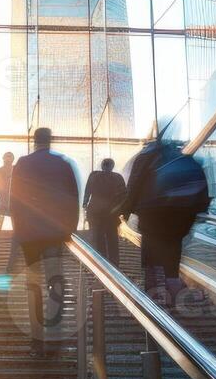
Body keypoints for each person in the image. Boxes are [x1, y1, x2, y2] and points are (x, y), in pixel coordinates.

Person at [9, 128, 80, 358]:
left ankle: (36, 341)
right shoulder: (63, 164)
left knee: (34, 286)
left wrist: (19, 231)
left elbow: (15, 200)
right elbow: (72, 199)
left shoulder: (23, 163)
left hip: (29, 235)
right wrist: (69, 229)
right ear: (50, 141)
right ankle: (55, 337)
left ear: (34, 141)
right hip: (53, 233)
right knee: (55, 283)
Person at [117, 130, 209, 308]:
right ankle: (173, 297)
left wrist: (125, 212)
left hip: (153, 216)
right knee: (172, 259)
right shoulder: (181, 159)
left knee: (150, 258)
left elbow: (134, 185)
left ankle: (152, 300)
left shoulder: (146, 158)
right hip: (180, 219)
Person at [83, 157, 127, 268]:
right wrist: (122, 211)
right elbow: (124, 196)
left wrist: (85, 205)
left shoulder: (94, 175)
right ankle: (114, 265)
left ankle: (100, 264)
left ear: (102, 165)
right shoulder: (118, 178)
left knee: (97, 239)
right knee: (112, 239)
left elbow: (87, 191)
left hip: (95, 213)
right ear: (112, 166)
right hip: (111, 215)